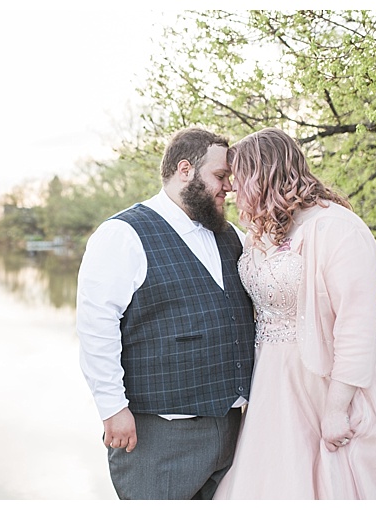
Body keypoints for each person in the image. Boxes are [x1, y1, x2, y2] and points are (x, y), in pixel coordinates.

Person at [212, 128, 376, 499]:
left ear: (263, 175)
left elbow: (358, 325)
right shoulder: (260, 231)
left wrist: (336, 409)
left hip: (329, 382)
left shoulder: (337, 229)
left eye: (238, 177)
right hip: (272, 384)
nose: (231, 188)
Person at [76, 127, 256, 499]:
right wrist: (112, 409)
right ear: (185, 170)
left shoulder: (232, 236)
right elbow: (96, 327)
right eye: (221, 176)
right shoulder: (122, 235)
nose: (230, 188)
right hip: (159, 437)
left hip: (232, 429)